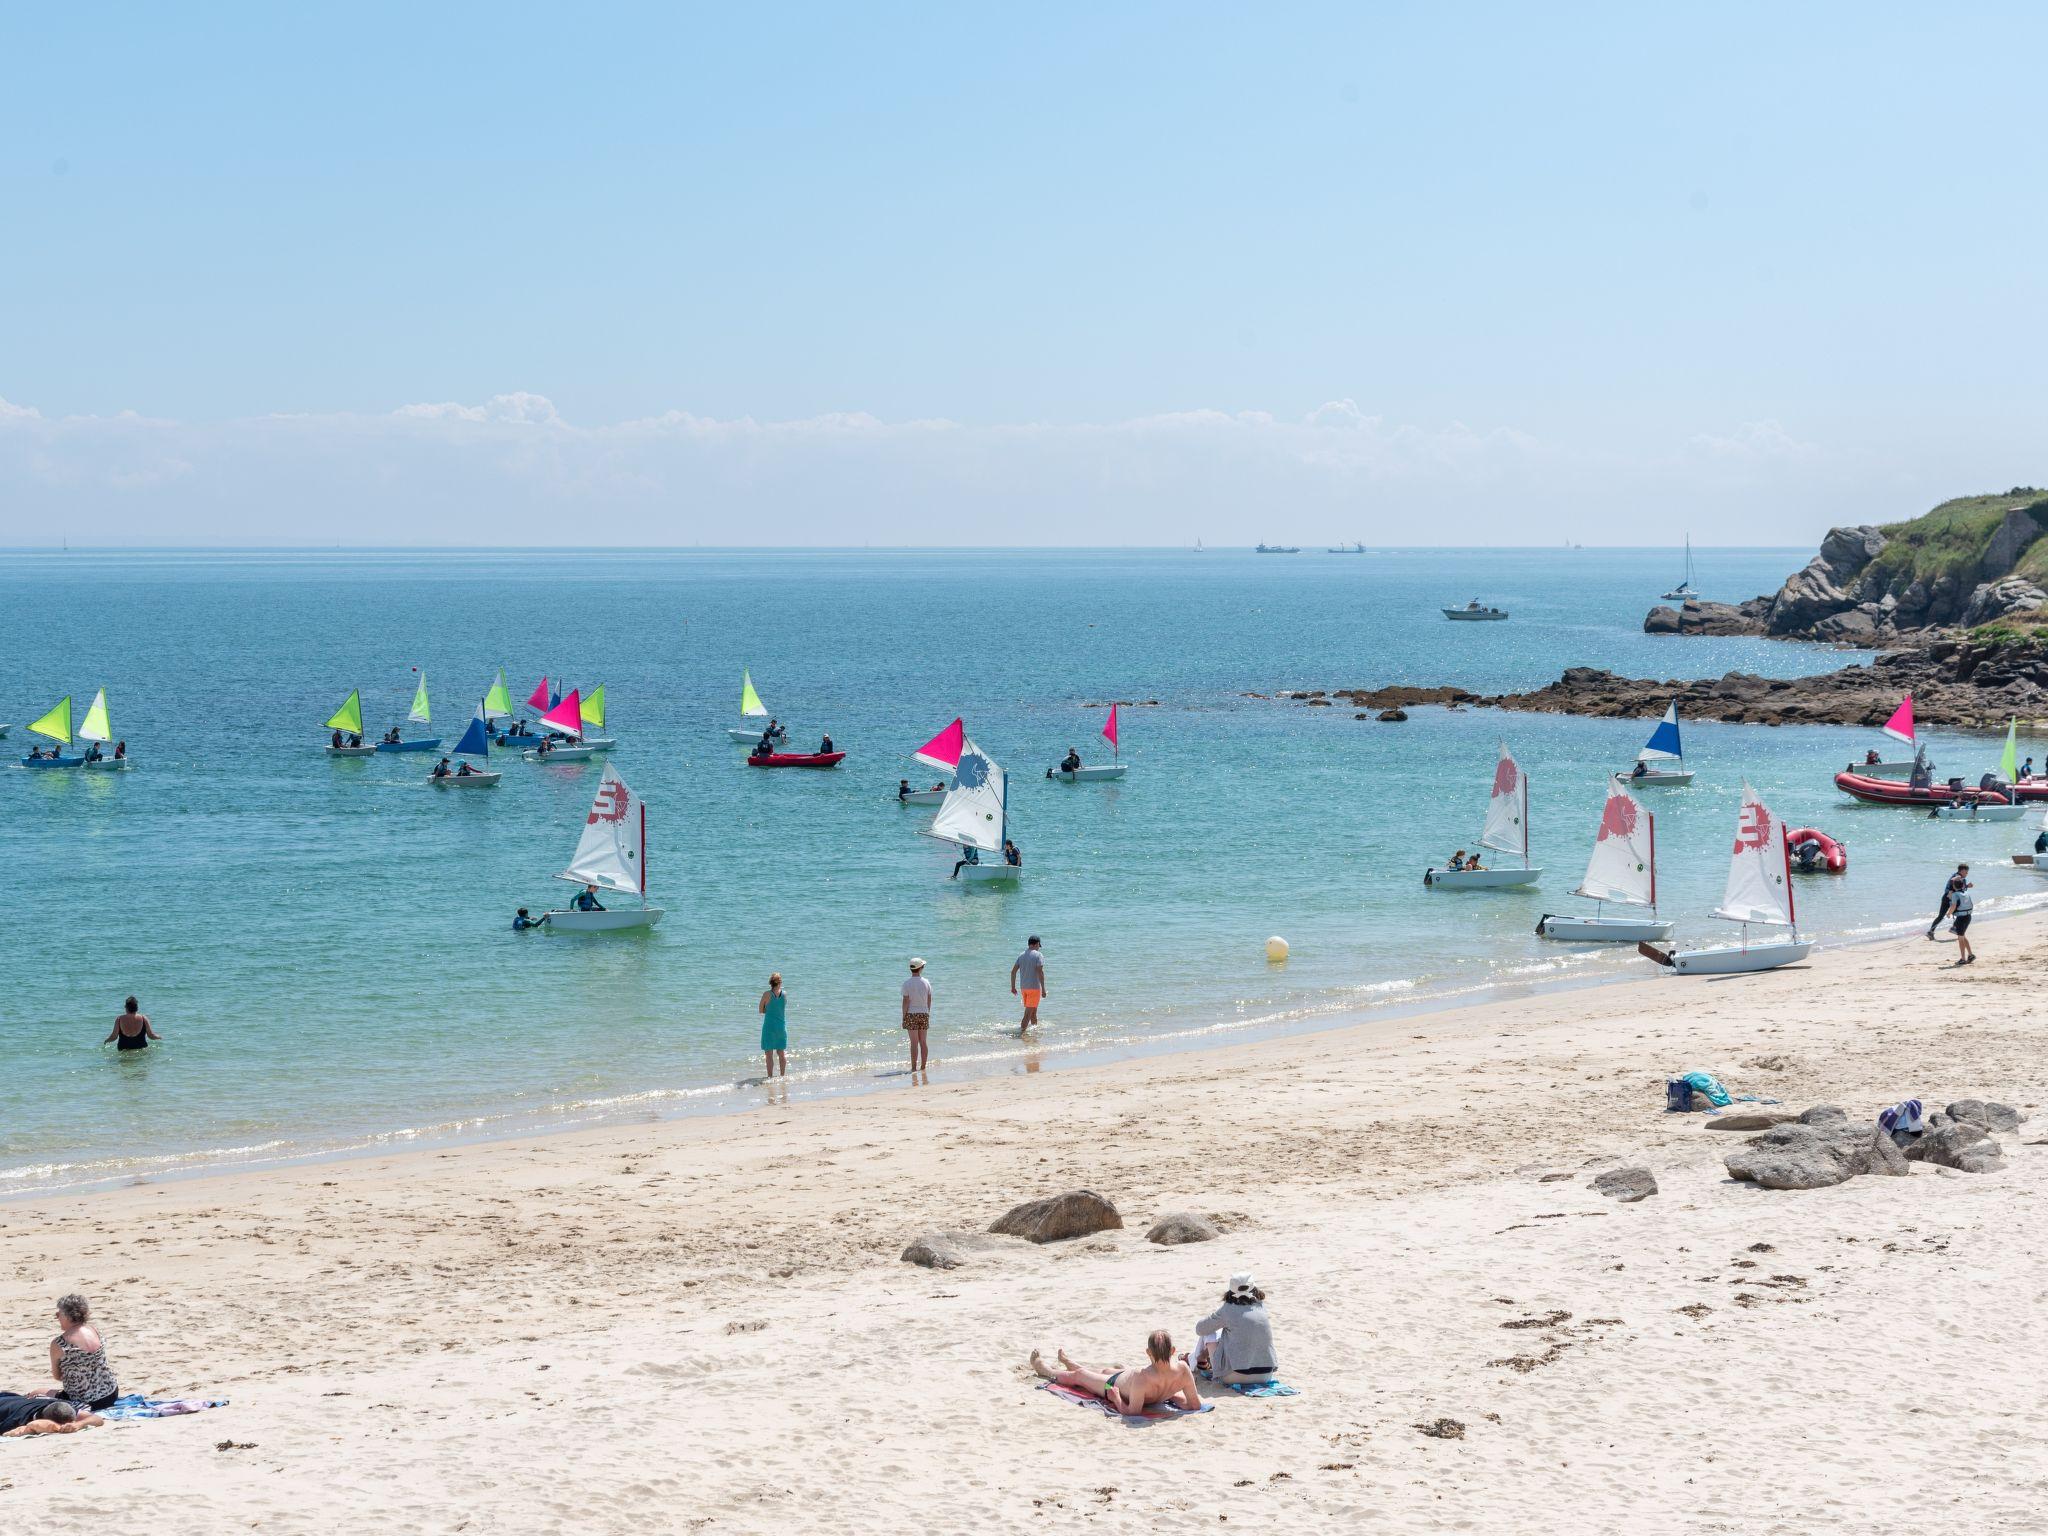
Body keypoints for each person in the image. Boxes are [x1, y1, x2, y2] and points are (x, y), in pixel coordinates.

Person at [1029, 1331, 1202, 1416]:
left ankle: (1046, 1370)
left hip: (1111, 1385)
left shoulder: (1143, 1377)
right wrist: (1174, 1398)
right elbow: (1195, 1405)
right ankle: (1070, 1364)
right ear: (1173, 1350)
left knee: (1081, 1375)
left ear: (1148, 1353)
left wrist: (1116, 1398)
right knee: (1105, 1372)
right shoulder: (1183, 1369)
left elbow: (1132, 1413)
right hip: (1122, 1380)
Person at [1191, 1274, 1279, 1386]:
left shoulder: (1228, 1309)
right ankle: (1197, 1358)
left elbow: (1200, 1329)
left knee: (1210, 1332)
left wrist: (1215, 1316)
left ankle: (1195, 1360)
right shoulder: (1261, 1307)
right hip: (1266, 1375)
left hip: (1236, 1377)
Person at [46, 1294, 119, 1411]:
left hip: (85, 1401)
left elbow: (57, 1376)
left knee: (36, 1393)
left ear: (68, 1316)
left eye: (59, 1313)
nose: (57, 1317)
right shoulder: (94, 1330)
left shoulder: (60, 1343)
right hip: (111, 1393)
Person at [0, 1394, 99, 1437]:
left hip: (11, 1398)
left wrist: (79, 1424)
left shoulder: (57, 1406)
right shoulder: (16, 1420)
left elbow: (97, 1419)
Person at [1010, 936, 1047, 1038]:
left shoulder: (1021, 955)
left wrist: (1013, 987)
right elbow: (1040, 972)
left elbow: (1013, 972)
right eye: (1039, 945)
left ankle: (1034, 1033)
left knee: (1033, 1012)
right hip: (1034, 988)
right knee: (1028, 1014)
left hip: (1024, 988)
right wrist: (1043, 989)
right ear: (1036, 944)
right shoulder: (1038, 955)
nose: (1039, 948)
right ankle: (1020, 1035)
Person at [901, 958, 932, 1072]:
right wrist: (927, 1012)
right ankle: (923, 1066)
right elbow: (929, 999)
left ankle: (914, 1068)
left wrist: (904, 1016)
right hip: (924, 1013)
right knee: (923, 1041)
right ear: (921, 968)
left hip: (911, 1014)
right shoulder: (926, 982)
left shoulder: (906, 984)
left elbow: (905, 1001)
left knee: (914, 1042)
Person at [759, 972, 789, 1079]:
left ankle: (770, 1077)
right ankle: (782, 1076)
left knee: (769, 1054)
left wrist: (768, 1009)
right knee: (781, 1053)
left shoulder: (767, 994)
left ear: (770, 983)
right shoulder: (784, 994)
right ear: (780, 982)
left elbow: (761, 1010)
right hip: (781, 1027)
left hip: (769, 1027)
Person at [1927, 864, 1968, 940]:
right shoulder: (1955, 877)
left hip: (1952, 899)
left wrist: (1967, 886)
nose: (1967, 874)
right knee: (1944, 915)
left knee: (1958, 914)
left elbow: (1961, 889)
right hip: (1948, 899)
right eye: (1966, 872)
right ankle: (1931, 932)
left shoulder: (1963, 879)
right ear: (1962, 871)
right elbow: (1949, 886)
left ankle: (1954, 928)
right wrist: (1950, 891)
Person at [1950, 872, 1975, 965]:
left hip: (1961, 919)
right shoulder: (1966, 892)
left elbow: (1953, 906)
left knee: (1960, 938)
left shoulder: (1955, 895)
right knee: (1963, 936)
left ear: (1954, 886)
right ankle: (1971, 955)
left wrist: (1949, 913)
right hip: (1968, 917)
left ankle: (1963, 959)